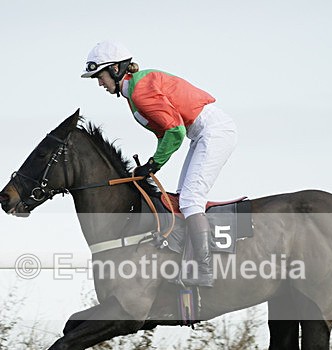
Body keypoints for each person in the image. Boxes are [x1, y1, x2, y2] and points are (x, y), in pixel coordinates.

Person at [81, 41, 237, 287]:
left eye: (100, 76)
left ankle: (204, 270)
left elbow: (174, 131)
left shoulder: (139, 91)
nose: (99, 83)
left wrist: (153, 165)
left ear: (115, 69)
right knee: (183, 197)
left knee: (190, 200)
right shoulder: (133, 91)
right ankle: (190, 260)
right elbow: (167, 132)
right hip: (201, 133)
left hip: (213, 131)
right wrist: (150, 165)